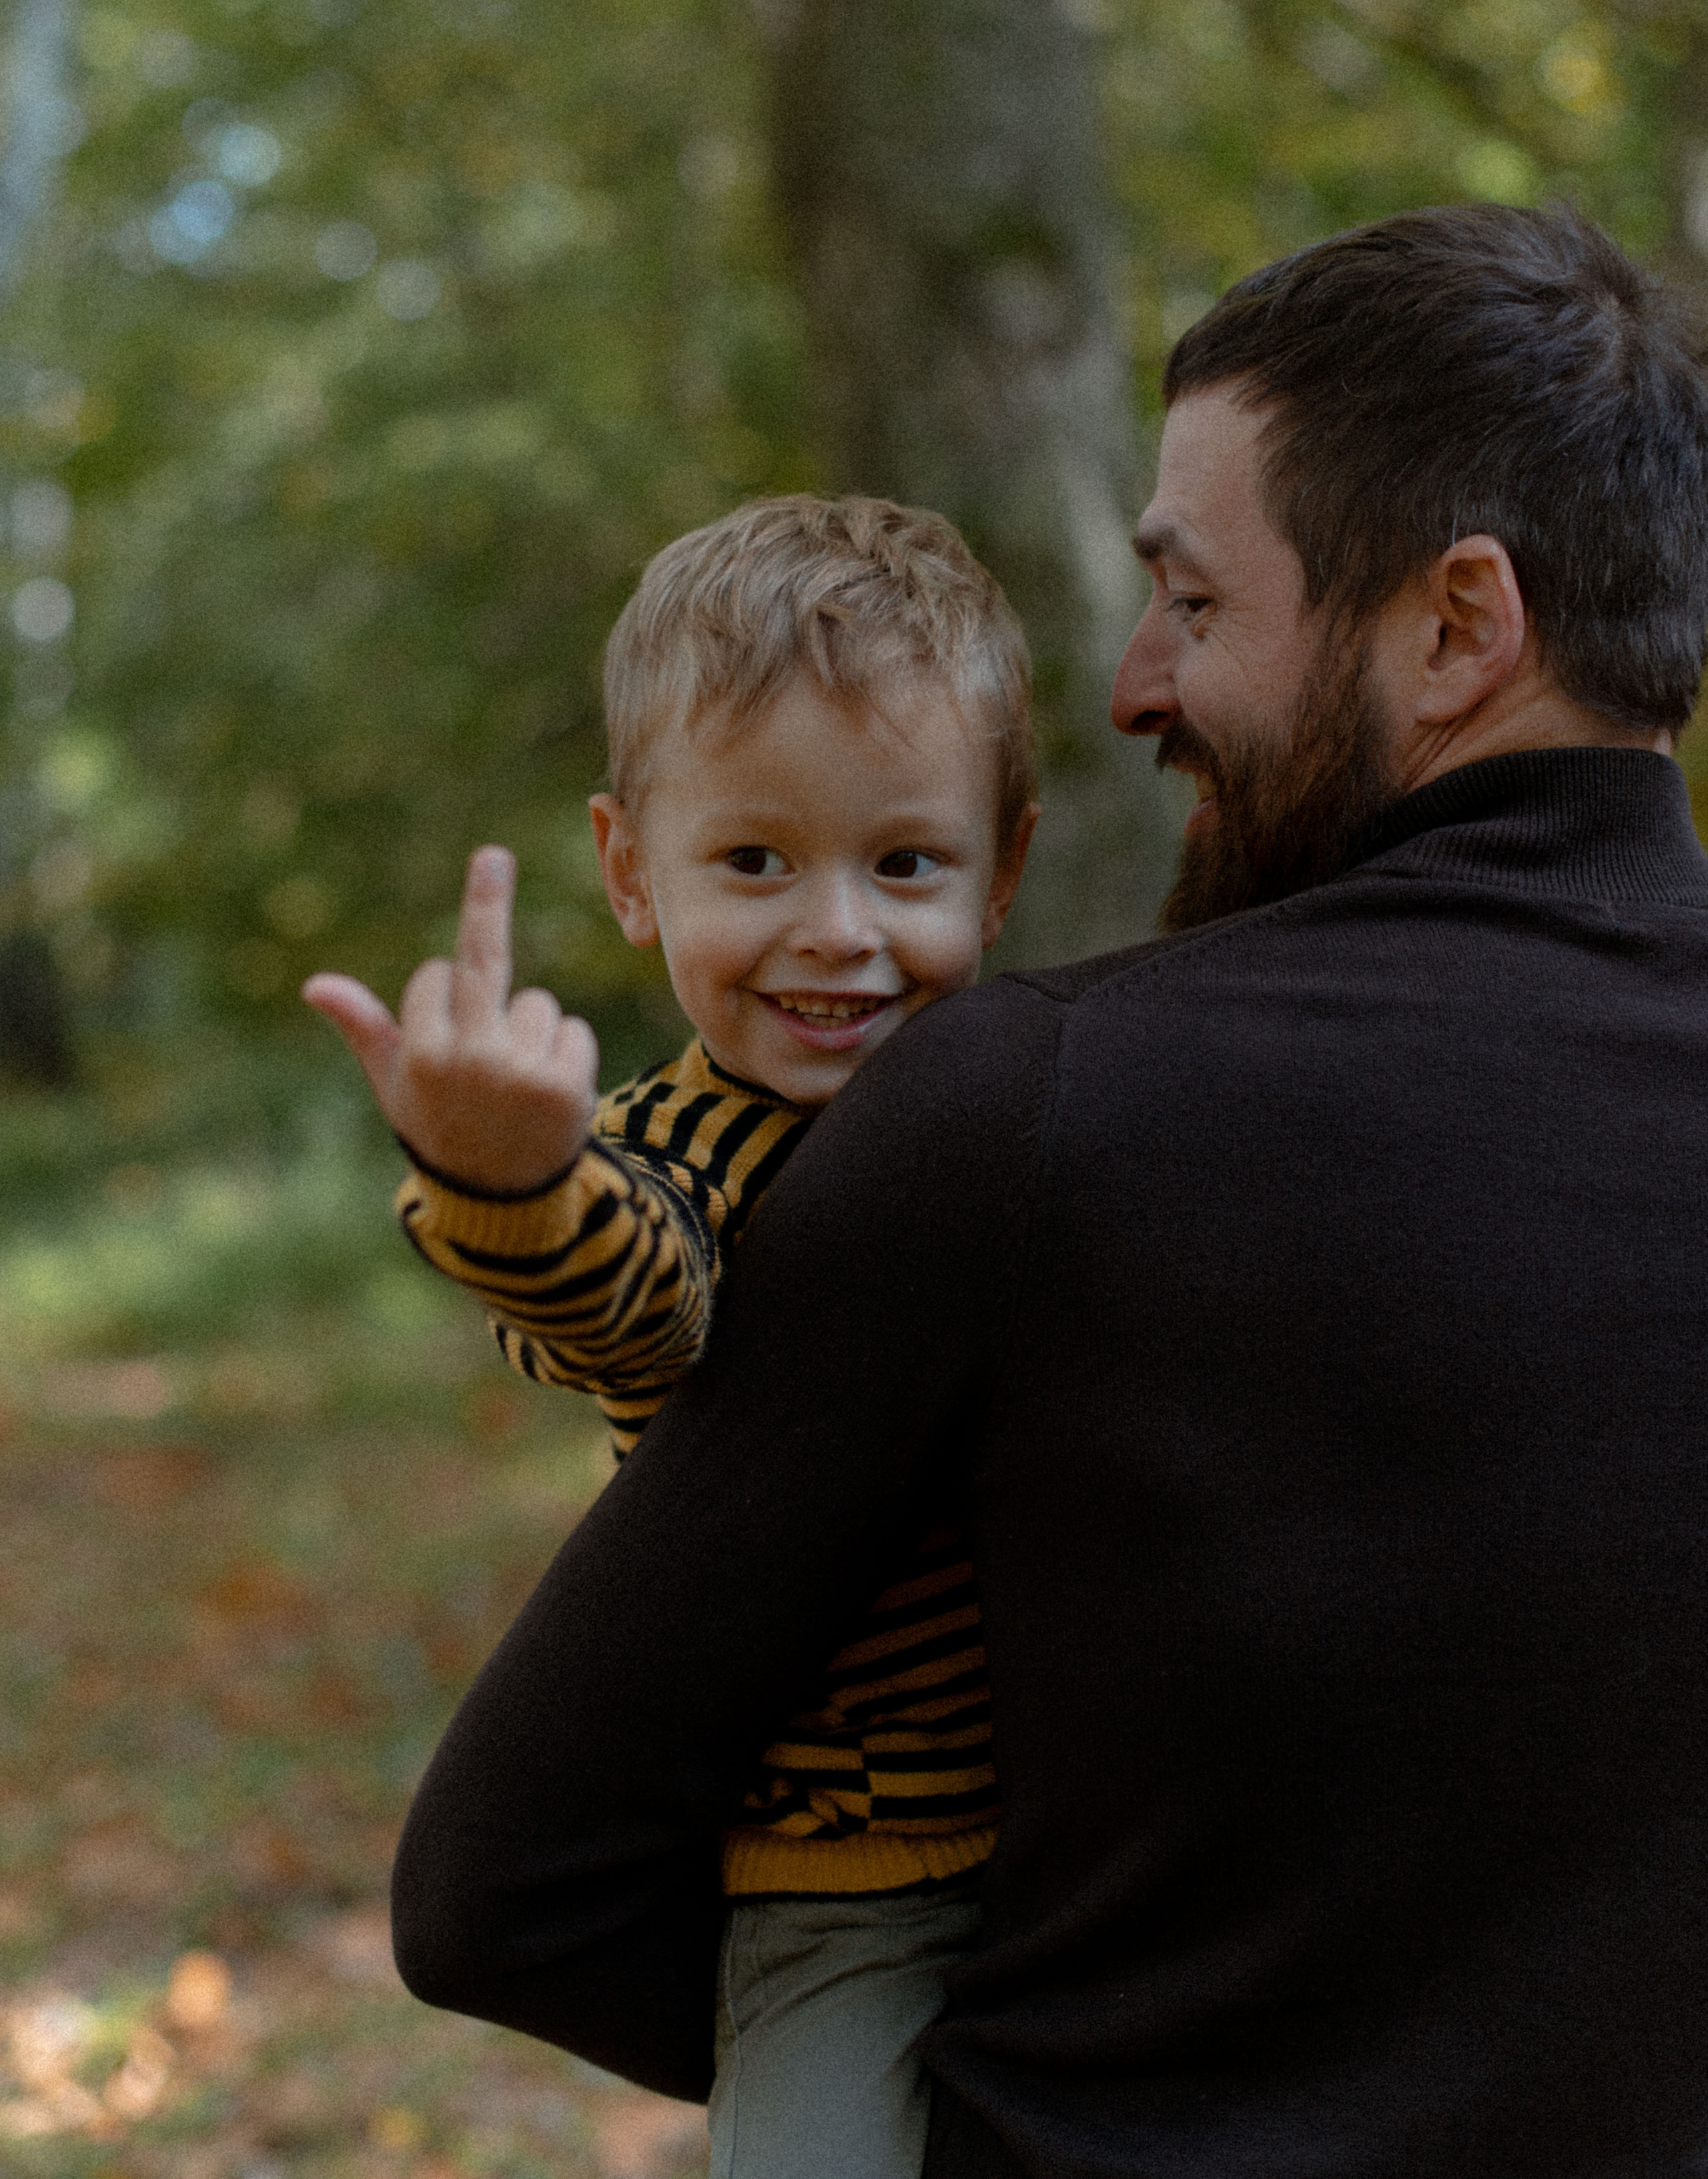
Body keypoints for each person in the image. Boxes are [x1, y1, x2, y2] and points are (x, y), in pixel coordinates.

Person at [388, 203, 1708, 2175]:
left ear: (1457, 627)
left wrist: (942, 2069)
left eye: (1191, 602)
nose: (1128, 686)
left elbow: (500, 1884)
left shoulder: (1031, 1104)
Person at [304, 495, 1039, 2179]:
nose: (837, 931)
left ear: (1000, 873)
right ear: (633, 872)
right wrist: (511, 1181)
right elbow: (633, 1307)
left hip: (1108, 1832)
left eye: (904, 862)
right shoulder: (685, 1147)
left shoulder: (1029, 1101)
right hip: (854, 1877)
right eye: (755, 861)